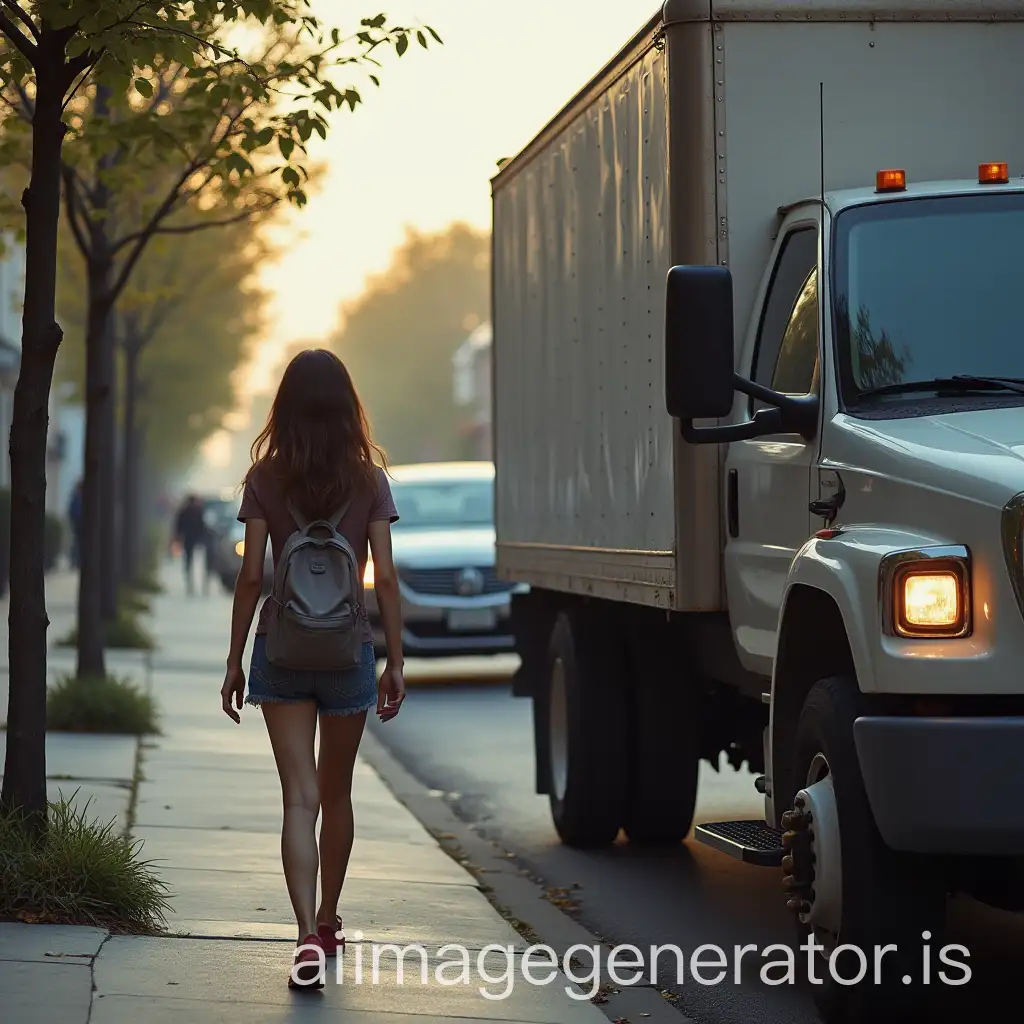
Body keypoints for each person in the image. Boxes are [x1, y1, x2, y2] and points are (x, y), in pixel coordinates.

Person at [219, 348, 406, 989]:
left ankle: (301, 934)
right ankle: (328, 917)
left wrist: (235, 660)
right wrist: (396, 663)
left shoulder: (266, 478)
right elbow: (385, 579)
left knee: (298, 798)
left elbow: (251, 578)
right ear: (348, 408)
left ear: (285, 407)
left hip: (281, 650)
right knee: (338, 793)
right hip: (348, 652)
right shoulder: (369, 480)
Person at [173, 493, 207, 594]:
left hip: (188, 537)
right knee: (198, 559)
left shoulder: (183, 511)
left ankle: (189, 580)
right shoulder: (198, 510)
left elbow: (179, 525)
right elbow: (202, 524)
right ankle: (198, 582)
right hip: (196, 537)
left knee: (188, 559)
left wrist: (178, 536)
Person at [67, 480, 83, 569]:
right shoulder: (77, 498)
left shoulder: (76, 497)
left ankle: (76, 561)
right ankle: (75, 561)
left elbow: (70, 511)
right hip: (78, 523)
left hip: (78, 523)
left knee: (77, 543)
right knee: (77, 543)